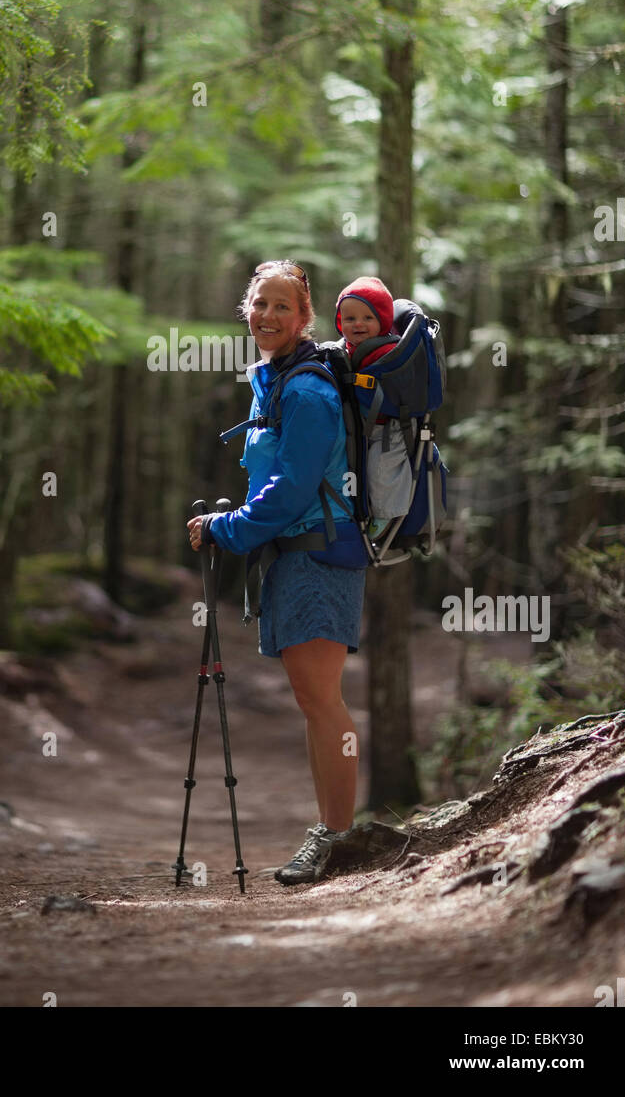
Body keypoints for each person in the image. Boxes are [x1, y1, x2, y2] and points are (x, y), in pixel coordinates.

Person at [186, 260, 365, 886]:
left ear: (304, 317)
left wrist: (227, 529)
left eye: (282, 307)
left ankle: (336, 837)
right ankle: (333, 831)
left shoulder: (307, 390)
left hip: (318, 553)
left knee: (322, 702)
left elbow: (290, 491)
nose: (267, 316)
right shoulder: (276, 380)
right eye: (259, 304)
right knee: (315, 702)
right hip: (296, 555)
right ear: (246, 309)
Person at [335, 275, 413, 529]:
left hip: (390, 426)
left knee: (380, 470)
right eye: (350, 319)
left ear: (382, 320)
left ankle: (384, 514)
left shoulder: (388, 352)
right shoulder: (344, 348)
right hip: (361, 423)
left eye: (368, 318)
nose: (358, 324)